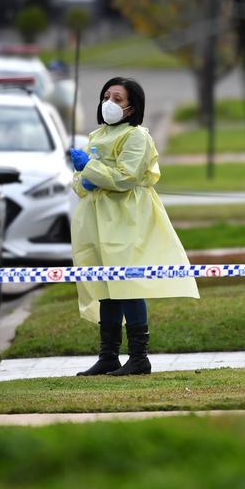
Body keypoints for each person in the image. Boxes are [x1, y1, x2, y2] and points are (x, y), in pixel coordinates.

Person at [68, 77, 199, 376]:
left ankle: (139, 357)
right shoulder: (95, 135)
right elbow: (80, 184)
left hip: (125, 219)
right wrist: (82, 177)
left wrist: (90, 168)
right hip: (96, 221)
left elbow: (125, 177)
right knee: (106, 285)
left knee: (127, 282)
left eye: (117, 99)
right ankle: (109, 356)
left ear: (131, 107)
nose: (109, 103)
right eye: (106, 96)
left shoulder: (137, 137)